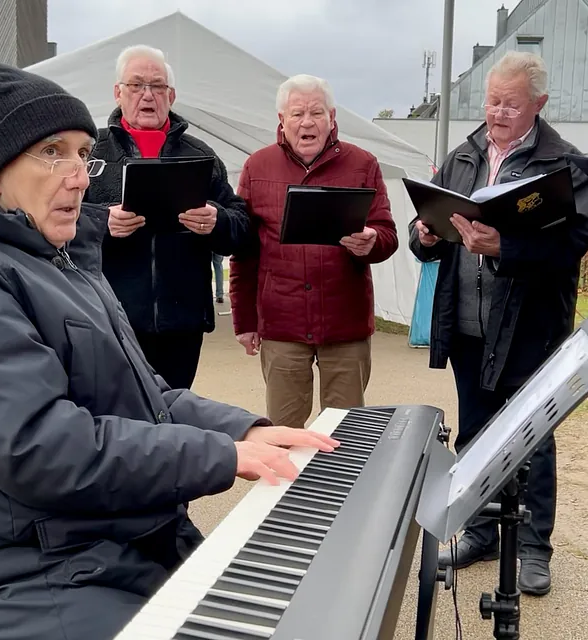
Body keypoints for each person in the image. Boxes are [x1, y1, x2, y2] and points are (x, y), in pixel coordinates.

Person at [0, 63, 338, 640]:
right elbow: (40, 447)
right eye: (51, 153)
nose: (79, 176)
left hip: (99, 543)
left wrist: (249, 430)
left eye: (83, 154)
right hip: (22, 568)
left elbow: (147, 394)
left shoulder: (64, 259)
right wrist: (219, 456)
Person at [409, 51, 588, 596]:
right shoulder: (463, 155)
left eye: (511, 104)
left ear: (538, 104)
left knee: (533, 442)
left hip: (529, 330)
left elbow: (575, 244)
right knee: (477, 434)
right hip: (468, 325)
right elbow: (427, 233)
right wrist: (425, 236)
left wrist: (505, 246)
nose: (498, 113)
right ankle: (483, 530)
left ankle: (534, 548)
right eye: (491, 101)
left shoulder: (567, 166)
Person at [230, 74, 398, 429]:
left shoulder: (362, 164)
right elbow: (244, 252)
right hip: (282, 323)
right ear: (281, 120)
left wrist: (371, 241)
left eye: (316, 113)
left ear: (332, 118)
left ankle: (344, 487)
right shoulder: (257, 167)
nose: (307, 122)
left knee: (347, 432)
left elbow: (387, 235)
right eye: (297, 114)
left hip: (345, 323)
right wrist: (245, 321)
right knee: (283, 430)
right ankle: (289, 487)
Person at [85, 45, 252, 390]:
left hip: (182, 322)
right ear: (118, 92)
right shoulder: (91, 153)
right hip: (109, 318)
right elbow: (54, 222)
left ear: (171, 96)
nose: (147, 95)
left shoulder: (201, 155)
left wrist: (216, 220)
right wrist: (100, 222)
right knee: (119, 417)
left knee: (174, 414)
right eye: (136, 85)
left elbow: (242, 227)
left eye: (157, 86)